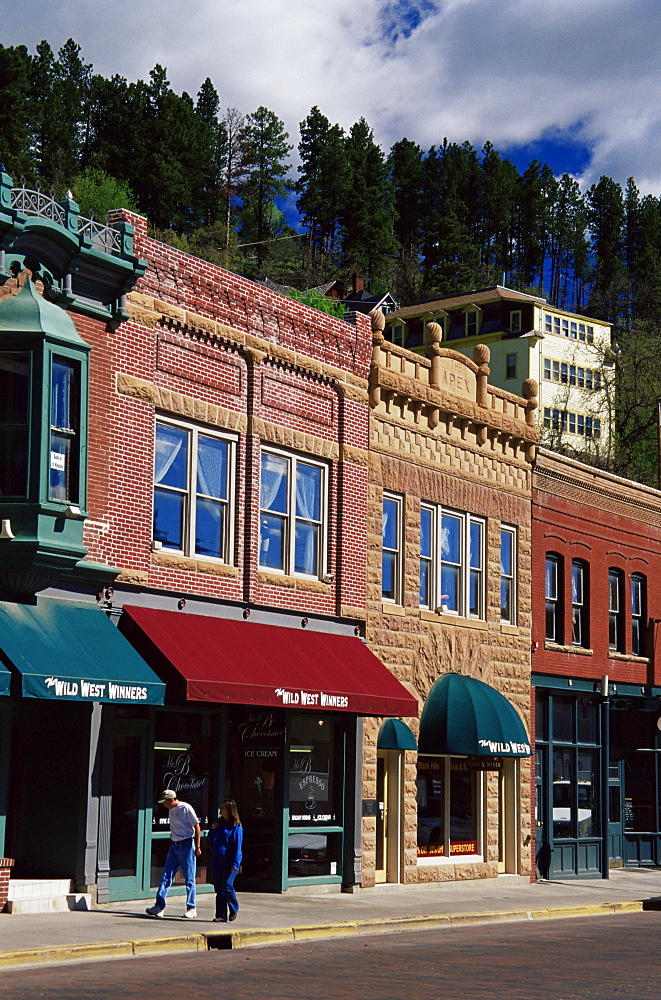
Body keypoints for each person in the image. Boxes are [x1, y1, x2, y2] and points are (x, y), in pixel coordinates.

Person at [146, 790, 201, 918]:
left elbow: (197, 826)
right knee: (166, 876)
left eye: (165, 802)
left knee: (189, 878)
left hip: (186, 845)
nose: (163, 805)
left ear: (171, 800)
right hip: (174, 846)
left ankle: (191, 907)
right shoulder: (171, 810)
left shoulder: (186, 808)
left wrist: (198, 846)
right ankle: (159, 906)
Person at [208, 799, 243, 923]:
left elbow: (237, 847)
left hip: (230, 862)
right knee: (219, 889)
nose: (220, 810)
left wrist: (236, 863)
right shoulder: (219, 824)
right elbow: (211, 838)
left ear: (229, 810)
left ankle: (234, 908)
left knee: (227, 885)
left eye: (223, 808)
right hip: (218, 861)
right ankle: (221, 915)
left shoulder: (236, 827)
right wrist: (213, 829)